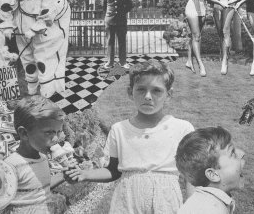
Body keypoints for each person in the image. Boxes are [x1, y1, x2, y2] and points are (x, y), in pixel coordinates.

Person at [66, 60, 195, 214]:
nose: (148, 96)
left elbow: (192, 175)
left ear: (169, 94)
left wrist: (194, 207)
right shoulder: (119, 130)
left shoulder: (182, 129)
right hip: (127, 202)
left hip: (166, 202)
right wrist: (85, 174)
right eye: (141, 89)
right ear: (130, 92)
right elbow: (113, 171)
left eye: (156, 90)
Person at [0, 0, 71, 97]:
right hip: (21, 28)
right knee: (27, 60)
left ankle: (45, 95)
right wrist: (7, 25)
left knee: (42, 60)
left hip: (40, 31)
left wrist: (36, 28)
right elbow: (5, 3)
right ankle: (31, 93)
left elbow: (48, 9)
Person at [4, 95, 66, 214]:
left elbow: (40, 189)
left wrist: (64, 175)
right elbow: (0, 201)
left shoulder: (42, 158)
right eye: (49, 132)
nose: (56, 139)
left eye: (58, 132)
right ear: (24, 133)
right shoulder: (11, 166)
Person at [176, 127, 246, 214]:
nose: (242, 154)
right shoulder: (211, 210)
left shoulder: (206, 202)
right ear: (213, 175)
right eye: (232, 153)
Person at [185, 0, 227, 77]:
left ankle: (189, 61)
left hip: (202, 8)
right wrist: (219, 3)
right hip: (192, 7)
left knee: (195, 36)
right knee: (196, 36)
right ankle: (200, 65)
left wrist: (225, 0)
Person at [210, 0, 238, 75]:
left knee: (225, 30)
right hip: (217, 2)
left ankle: (225, 61)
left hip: (229, 3)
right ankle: (222, 55)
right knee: (220, 32)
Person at [102, 0, 133, 70]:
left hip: (121, 21)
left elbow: (130, 5)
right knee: (110, 42)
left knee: (122, 42)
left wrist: (122, 13)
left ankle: (123, 62)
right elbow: (103, 7)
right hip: (109, 22)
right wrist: (108, 16)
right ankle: (110, 62)